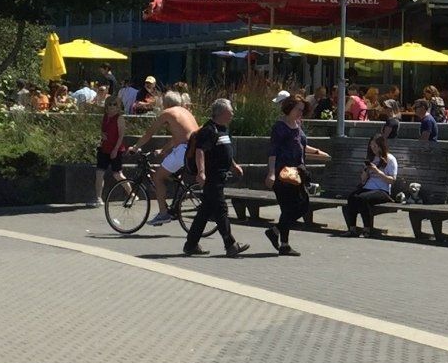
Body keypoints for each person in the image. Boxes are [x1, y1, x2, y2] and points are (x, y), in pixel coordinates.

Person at [181, 98, 248, 257]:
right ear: (222, 112)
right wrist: (201, 172)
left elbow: (224, 150)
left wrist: (234, 165)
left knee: (205, 211)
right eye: (230, 110)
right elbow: (200, 151)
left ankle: (190, 245)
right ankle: (230, 244)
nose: (232, 113)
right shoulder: (208, 130)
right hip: (212, 177)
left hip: (221, 175)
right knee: (221, 209)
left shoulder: (223, 129)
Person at [264, 93, 328, 256]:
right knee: (288, 208)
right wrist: (271, 173)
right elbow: (273, 151)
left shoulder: (298, 125)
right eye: (298, 109)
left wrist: (317, 151)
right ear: (289, 108)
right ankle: (284, 243)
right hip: (283, 173)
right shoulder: (280, 127)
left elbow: (299, 145)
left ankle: (276, 232)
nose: (300, 113)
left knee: (302, 205)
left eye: (302, 110)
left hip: (298, 172)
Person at [136, 90, 199, 226]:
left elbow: (149, 133)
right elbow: (177, 137)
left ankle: (163, 213)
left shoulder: (167, 113)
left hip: (183, 150)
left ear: (166, 103)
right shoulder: (186, 112)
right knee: (169, 173)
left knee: (158, 177)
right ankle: (180, 194)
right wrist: (163, 151)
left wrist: (135, 147)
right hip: (193, 149)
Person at [343, 132, 399, 235]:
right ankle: (352, 229)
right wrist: (366, 170)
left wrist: (377, 171)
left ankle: (367, 229)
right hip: (368, 188)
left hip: (382, 191)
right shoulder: (371, 158)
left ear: (381, 146)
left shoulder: (390, 159)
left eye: (375, 146)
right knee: (352, 197)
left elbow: (392, 180)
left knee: (362, 199)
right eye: (371, 146)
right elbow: (363, 180)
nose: (373, 148)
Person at [96, 97, 127, 184]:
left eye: (115, 104)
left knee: (117, 174)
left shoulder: (119, 118)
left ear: (118, 106)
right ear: (106, 105)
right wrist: (102, 134)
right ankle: (98, 197)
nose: (112, 106)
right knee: (99, 173)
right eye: (110, 104)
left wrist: (115, 150)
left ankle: (132, 194)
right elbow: (103, 130)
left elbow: (121, 136)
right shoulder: (105, 117)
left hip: (116, 148)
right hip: (104, 148)